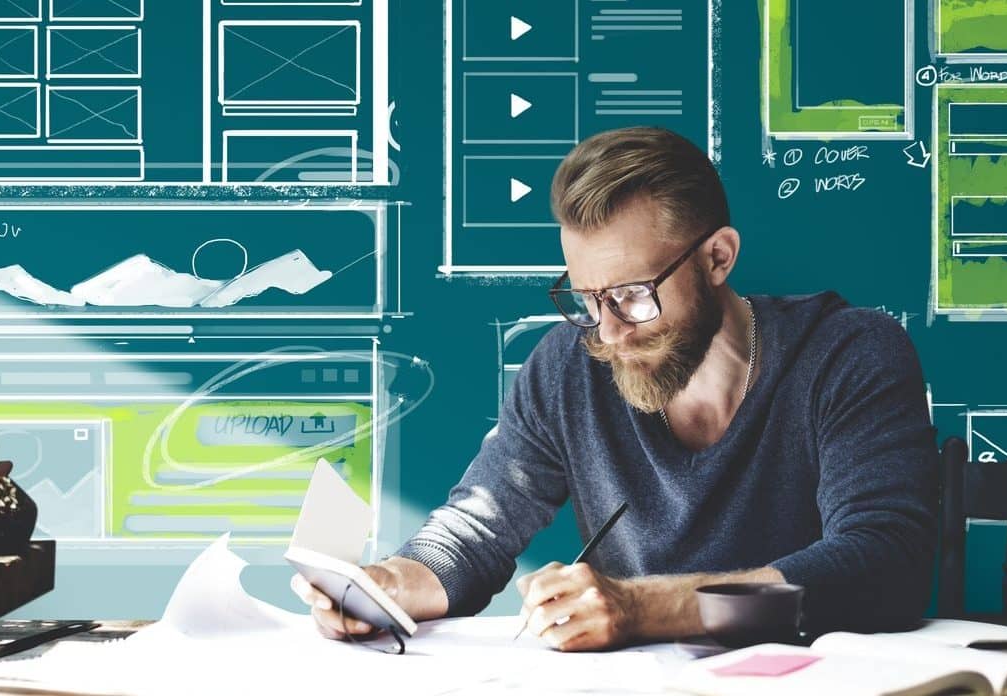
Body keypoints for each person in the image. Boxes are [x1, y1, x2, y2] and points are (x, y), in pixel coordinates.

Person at [290, 126, 938, 652]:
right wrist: (389, 584)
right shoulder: (567, 365)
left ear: (718, 257)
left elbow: (885, 563)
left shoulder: (850, 352)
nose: (610, 332)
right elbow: (477, 529)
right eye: (587, 297)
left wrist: (643, 606)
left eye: (632, 294)